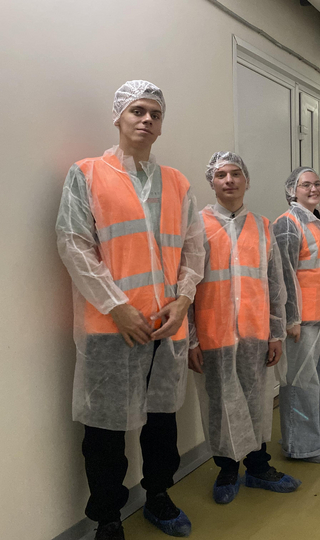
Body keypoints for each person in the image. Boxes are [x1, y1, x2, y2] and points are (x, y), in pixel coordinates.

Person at [56, 80, 204, 540]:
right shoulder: (87, 174)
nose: (146, 119)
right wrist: (116, 306)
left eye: (155, 114)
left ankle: (158, 496)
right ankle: (107, 518)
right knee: (105, 432)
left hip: (165, 326)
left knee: (161, 424)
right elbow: (74, 244)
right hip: (110, 328)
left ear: (161, 126)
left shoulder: (177, 183)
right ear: (118, 116)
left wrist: (184, 300)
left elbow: (194, 249)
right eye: (138, 111)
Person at [187, 152, 301, 505]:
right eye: (221, 174)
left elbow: (275, 284)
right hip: (213, 333)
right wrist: (190, 339)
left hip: (255, 333)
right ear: (212, 182)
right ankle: (226, 469)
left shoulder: (263, 227)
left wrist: (276, 332)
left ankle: (257, 467)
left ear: (246, 181)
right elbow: (185, 286)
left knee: (257, 400)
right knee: (219, 404)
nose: (229, 180)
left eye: (235, 173)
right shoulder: (197, 226)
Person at [273, 167, 320, 463]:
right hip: (302, 321)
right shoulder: (288, 224)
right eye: (306, 185)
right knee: (301, 385)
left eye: (317, 183)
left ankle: (310, 437)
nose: (313, 189)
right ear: (293, 190)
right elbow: (283, 277)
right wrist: (291, 319)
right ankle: (300, 447)